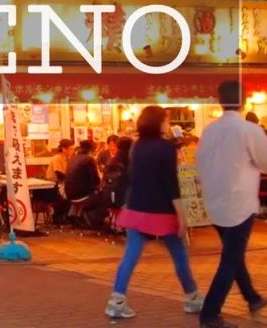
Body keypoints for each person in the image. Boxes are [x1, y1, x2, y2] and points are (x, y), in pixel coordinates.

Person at [197, 81, 267, 328]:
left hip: (214, 201)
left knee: (233, 254)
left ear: (220, 101)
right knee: (231, 258)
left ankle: (252, 297)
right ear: (243, 100)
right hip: (239, 203)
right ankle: (210, 313)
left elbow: (200, 164)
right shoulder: (248, 130)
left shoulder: (209, 131)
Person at [106, 107, 203, 319]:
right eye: (166, 120)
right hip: (161, 210)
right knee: (179, 254)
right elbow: (170, 183)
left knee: (130, 255)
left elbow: (132, 176)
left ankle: (117, 300)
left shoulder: (137, 146)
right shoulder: (166, 148)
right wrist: (182, 214)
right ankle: (192, 297)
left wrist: (125, 203)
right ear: (159, 123)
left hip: (136, 207)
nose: (168, 124)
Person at [64, 140, 103, 227]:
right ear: (91, 150)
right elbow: (96, 180)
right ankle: (92, 221)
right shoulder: (89, 159)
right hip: (82, 196)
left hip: (69, 195)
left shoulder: (73, 158)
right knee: (105, 198)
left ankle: (75, 215)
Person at [101, 136, 132, 210]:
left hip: (110, 199)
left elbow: (103, 179)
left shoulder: (112, 160)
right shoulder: (131, 161)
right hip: (125, 201)